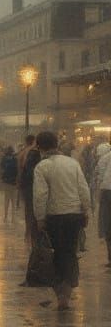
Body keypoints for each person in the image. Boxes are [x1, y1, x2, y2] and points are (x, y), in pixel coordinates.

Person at [33, 130, 91, 310]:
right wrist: (86, 210)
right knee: (70, 252)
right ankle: (67, 291)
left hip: (54, 216)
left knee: (56, 254)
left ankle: (61, 295)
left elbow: (40, 195)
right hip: (74, 215)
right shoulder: (72, 163)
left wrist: (40, 218)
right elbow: (83, 188)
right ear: (57, 144)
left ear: (40, 147)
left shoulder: (42, 167)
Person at [18, 134, 41, 247]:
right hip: (32, 186)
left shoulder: (23, 152)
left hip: (25, 186)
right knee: (34, 212)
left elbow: (21, 168)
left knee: (28, 211)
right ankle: (33, 236)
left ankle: (28, 234)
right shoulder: (33, 153)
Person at [94, 142, 111, 265]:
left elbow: (99, 177)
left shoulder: (104, 158)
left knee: (107, 223)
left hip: (107, 191)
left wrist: (97, 195)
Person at [0, 146, 19, 223]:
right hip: (13, 181)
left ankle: (5, 216)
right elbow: (18, 170)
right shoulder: (15, 159)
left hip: (6, 181)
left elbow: (1, 169)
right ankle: (13, 218)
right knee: (13, 200)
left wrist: (1, 180)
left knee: (6, 199)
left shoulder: (4, 159)